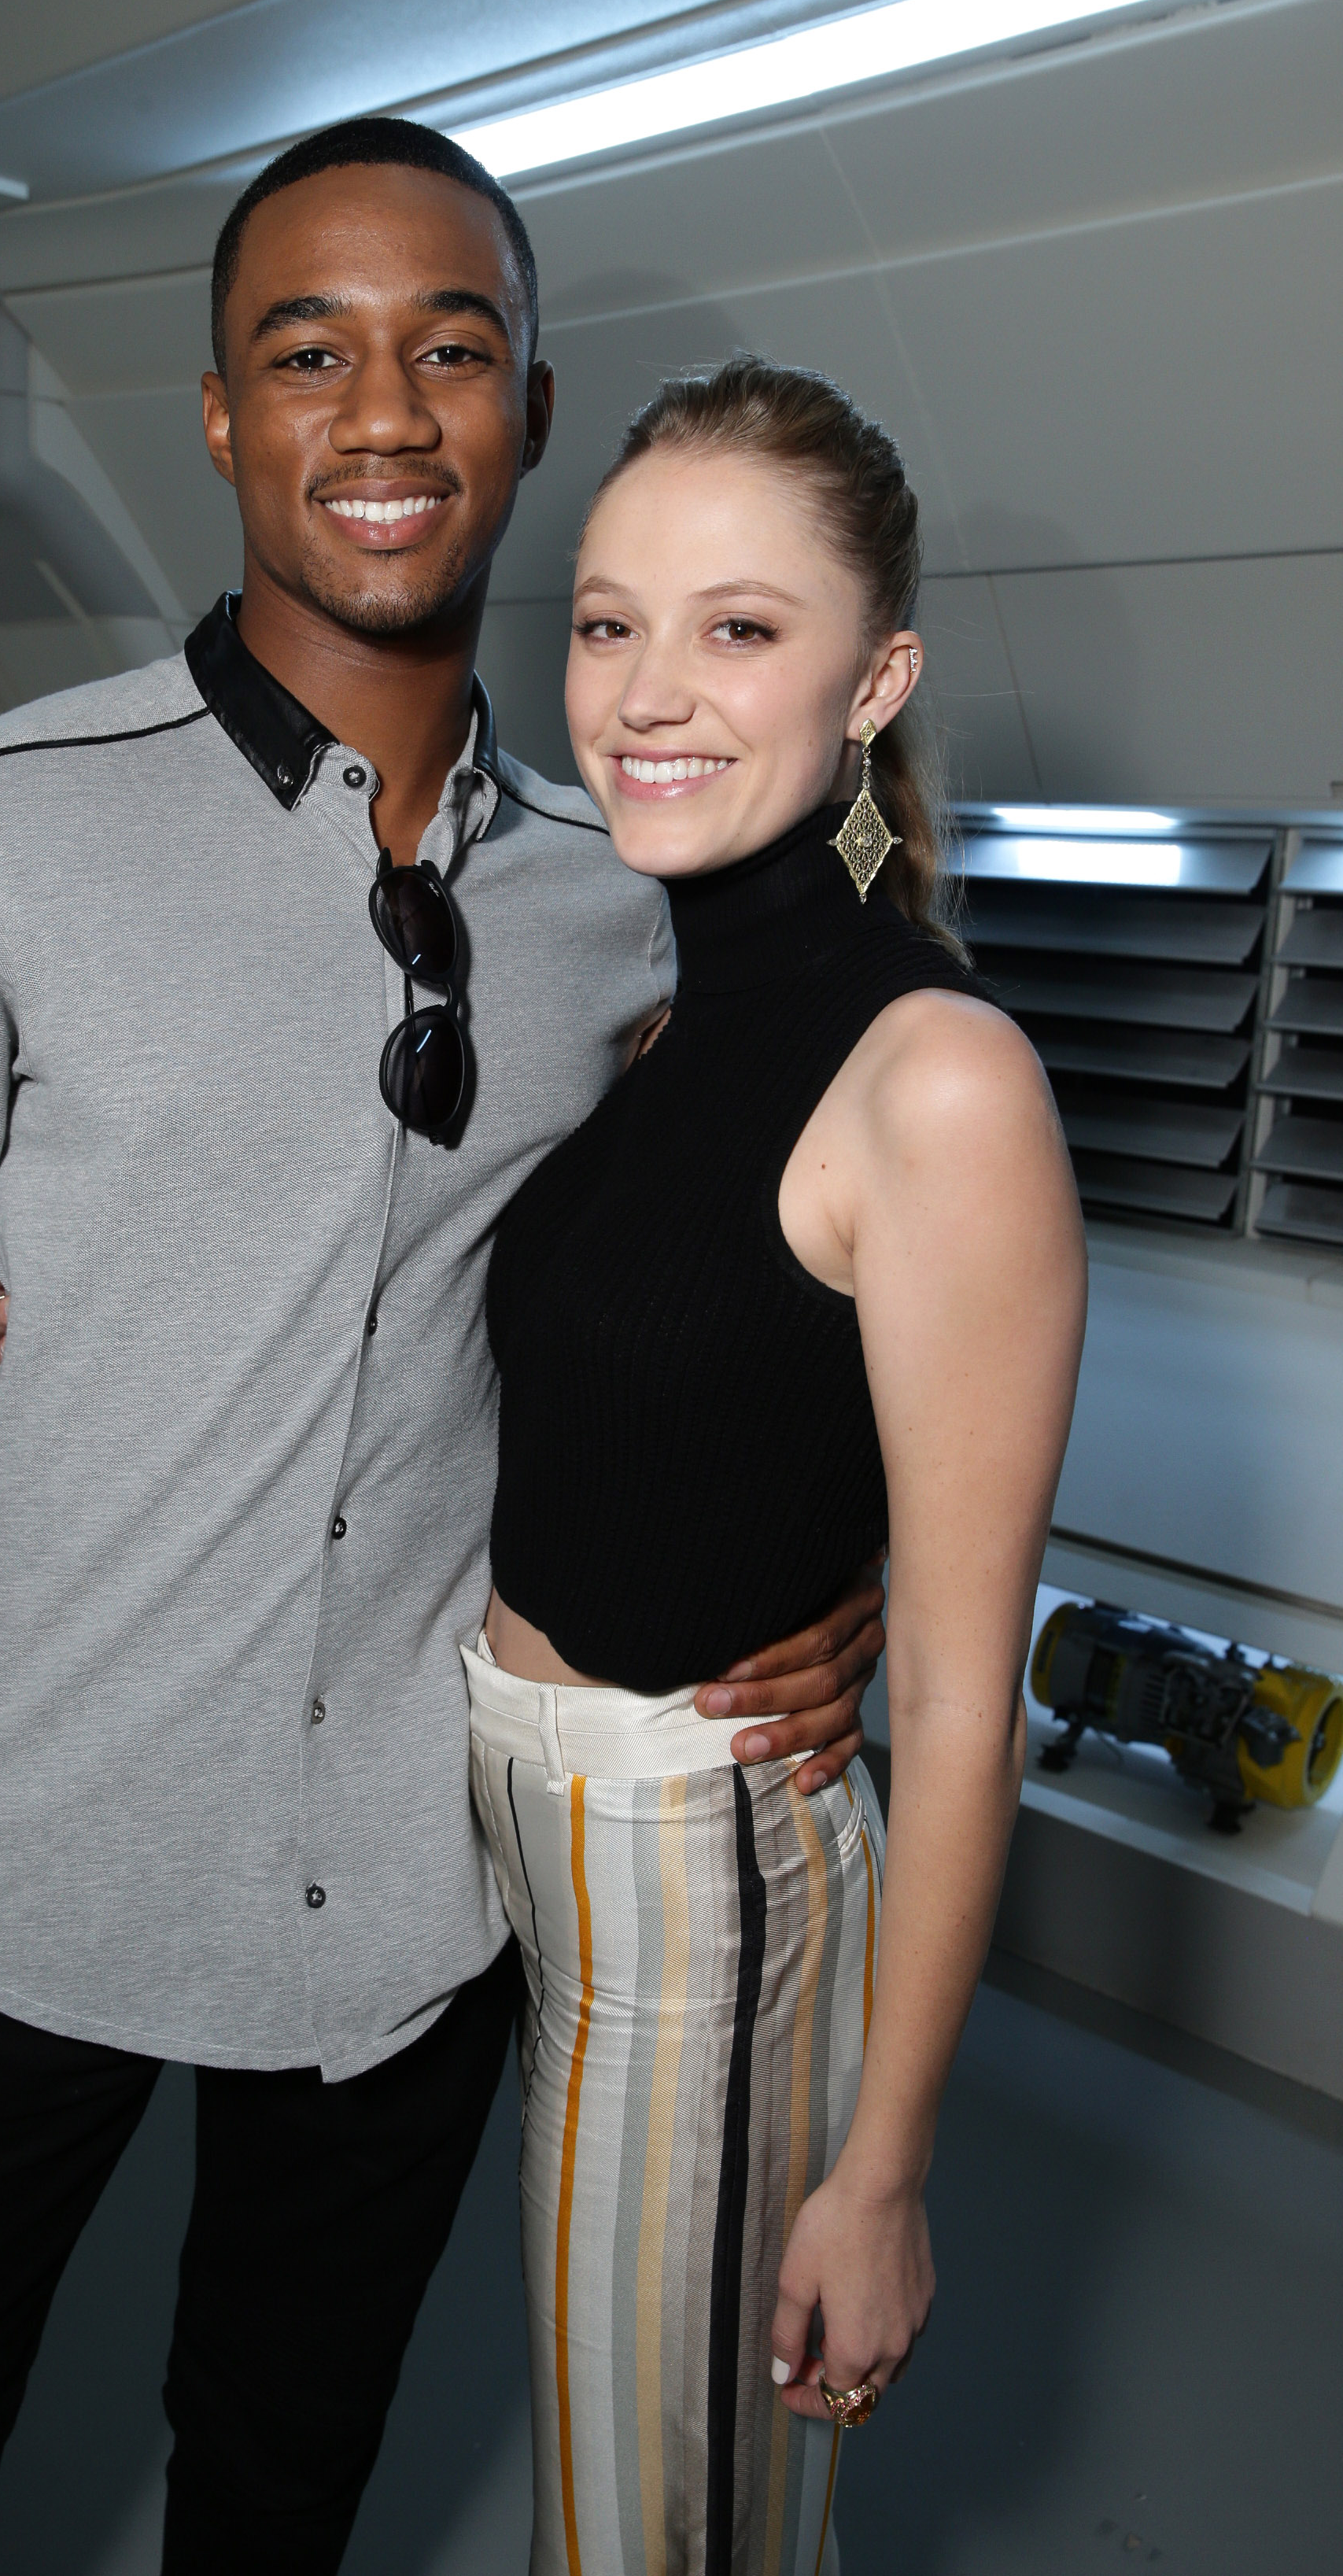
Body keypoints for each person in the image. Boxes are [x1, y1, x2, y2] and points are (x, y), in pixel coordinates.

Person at [0, 121, 882, 2575]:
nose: (383, 411)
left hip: (411, 1913)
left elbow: (727, 1292)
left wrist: (840, 1573)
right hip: (13, 1870)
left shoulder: (625, 907)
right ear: (224, 414)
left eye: (449, 348)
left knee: (278, 2496)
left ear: (528, 409)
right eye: (309, 352)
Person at [461, 357, 1085, 2572]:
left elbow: (963, 1693)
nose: (648, 691)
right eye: (608, 621)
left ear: (876, 676)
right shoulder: (642, 1003)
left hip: (697, 1873)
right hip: (520, 1831)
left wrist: (883, 2170)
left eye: (740, 629)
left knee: (666, 2531)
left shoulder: (936, 1076)